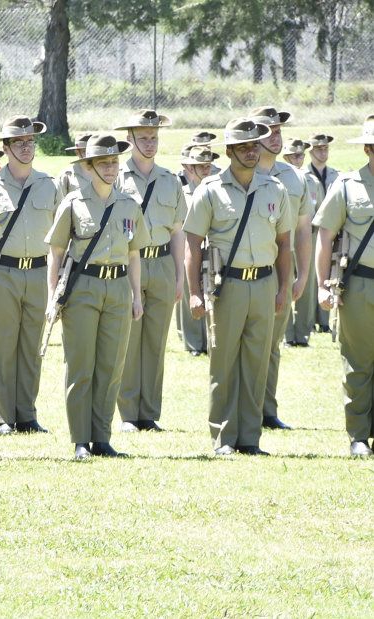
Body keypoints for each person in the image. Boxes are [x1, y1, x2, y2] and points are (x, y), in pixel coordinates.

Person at [184, 118, 292, 456]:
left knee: (257, 362)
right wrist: (194, 292)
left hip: (263, 283)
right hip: (225, 286)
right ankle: (223, 437)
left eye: (255, 145)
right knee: (224, 362)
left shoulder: (274, 188)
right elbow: (193, 245)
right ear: (229, 151)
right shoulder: (210, 189)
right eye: (244, 146)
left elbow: (284, 244)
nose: (252, 151)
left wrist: (283, 288)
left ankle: (250, 437)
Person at [46, 134, 148, 460]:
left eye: (115, 162)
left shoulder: (129, 204)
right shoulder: (73, 203)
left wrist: (136, 295)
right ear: (88, 167)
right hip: (83, 289)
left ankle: (101, 438)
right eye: (103, 163)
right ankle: (80, 439)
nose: (110, 168)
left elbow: (134, 254)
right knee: (81, 366)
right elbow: (56, 251)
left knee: (111, 365)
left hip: (118, 288)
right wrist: (53, 297)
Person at [0, 115, 61, 435]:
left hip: (39, 272)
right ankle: (4, 417)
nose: (26, 148)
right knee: (2, 347)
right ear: (5, 148)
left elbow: (59, 237)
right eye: (19, 143)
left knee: (31, 347)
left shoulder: (48, 185)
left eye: (30, 142)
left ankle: (27, 414)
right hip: (3, 272)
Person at [114, 110, 187, 433]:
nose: (149, 143)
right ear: (129, 140)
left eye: (154, 137)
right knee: (130, 340)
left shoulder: (170, 180)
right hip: (131, 262)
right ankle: (129, 413)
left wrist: (180, 275)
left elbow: (177, 230)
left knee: (156, 341)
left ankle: (149, 413)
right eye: (142, 137)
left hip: (162, 263)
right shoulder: (116, 178)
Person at [249, 106, 313, 432]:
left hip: (281, 270)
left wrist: (302, 276)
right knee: (246, 344)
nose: (275, 136)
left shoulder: (295, 178)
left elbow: (303, 230)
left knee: (272, 343)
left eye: (278, 130)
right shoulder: (242, 174)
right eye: (268, 130)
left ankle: (266, 410)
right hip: (249, 267)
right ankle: (242, 409)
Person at [313, 116, 374, 457]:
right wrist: (323, 285)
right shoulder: (348, 185)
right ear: (367, 149)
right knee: (359, 363)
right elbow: (325, 235)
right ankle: (359, 436)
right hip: (360, 284)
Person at [174, 145, 220, 357]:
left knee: (212, 291)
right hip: (188, 248)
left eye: (208, 166)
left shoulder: (217, 191)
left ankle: (212, 337)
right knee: (189, 293)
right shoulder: (182, 193)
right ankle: (193, 343)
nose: (205, 170)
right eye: (200, 166)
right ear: (190, 168)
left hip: (212, 249)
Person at [282, 138, 323, 347]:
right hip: (284, 240)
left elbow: (320, 211)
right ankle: (287, 333)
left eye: (301, 155)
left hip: (308, 237)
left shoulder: (312, 182)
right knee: (285, 284)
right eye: (294, 155)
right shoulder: (279, 179)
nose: (299, 159)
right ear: (286, 157)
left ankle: (303, 333)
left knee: (306, 286)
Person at [308, 134, 339, 333]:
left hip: (332, 230)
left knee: (330, 274)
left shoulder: (336, 175)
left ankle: (325, 320)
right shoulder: (304, 176)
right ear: (310, 151)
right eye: (319, 148)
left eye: (326, 148)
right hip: (310, 232)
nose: (323, 152)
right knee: (311, 277)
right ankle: (308, 320)